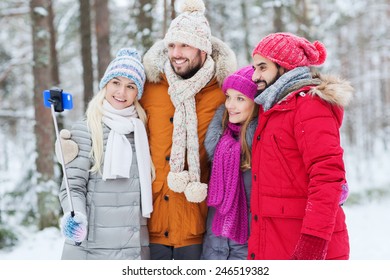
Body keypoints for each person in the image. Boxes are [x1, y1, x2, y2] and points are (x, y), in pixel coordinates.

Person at [139, 0, 236, 259]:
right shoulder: (150, 87)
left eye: (185, 45)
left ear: (203, 49)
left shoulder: (224, 92)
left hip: (198, 219)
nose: (176, 53)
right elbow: (112, 113)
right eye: (171, 45)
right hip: (153, 219)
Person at [248, 32, 352, 260]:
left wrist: (314, 240)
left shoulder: (310, 106)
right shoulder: (274, 107)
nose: (255, 76)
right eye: (254, 67)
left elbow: (327, 174)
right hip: (278, 241)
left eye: (262, 67)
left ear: (284, 67)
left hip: (306, 244)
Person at [58, 48, 154, 260]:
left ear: (137, 93)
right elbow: (72, 186)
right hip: (93, 249)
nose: (122, 92)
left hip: (133, 249)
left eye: (130, 86)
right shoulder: (86, 129)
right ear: (105, 85)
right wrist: (76, 216)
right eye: (116, 83)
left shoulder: (141, 132)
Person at [200, 65, 258, 260]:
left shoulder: (262, 147)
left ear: (256, 103)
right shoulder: (219, 144)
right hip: (213, 249)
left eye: (240, 99)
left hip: (247, 252)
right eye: (229, 97)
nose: (230, 105)